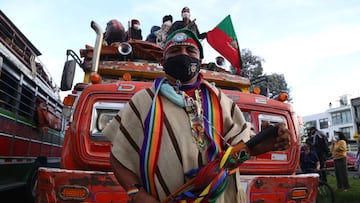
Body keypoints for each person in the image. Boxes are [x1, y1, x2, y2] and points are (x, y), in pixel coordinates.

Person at [103, 29, 290, 203]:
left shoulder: (221, 101)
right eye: (175, 50)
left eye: (190, 51)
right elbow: (119, 157)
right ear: (163, 61)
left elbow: (237, 155)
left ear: (200, 61)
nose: (183, 54)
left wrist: (262, 142)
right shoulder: (143, 101)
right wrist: (136, 194)